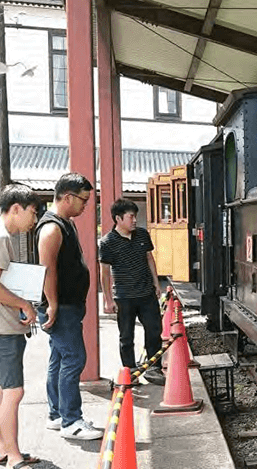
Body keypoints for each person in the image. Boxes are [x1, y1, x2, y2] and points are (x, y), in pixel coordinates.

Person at [0, 183, 47, 469]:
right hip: (0, 328)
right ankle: (14, 461)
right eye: (33, 212)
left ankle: (0, 449)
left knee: (4, 390)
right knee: (14, 392)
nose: (35, 219)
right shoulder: (0, 238)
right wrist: (24, 304)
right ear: (16, 208)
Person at [36, 173, 103, 441]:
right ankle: (71, 421)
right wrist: (52, 304)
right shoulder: (52, 228)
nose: (86, 206)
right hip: (61, 306)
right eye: (83, 200)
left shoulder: (66, 223)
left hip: (68, 305)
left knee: (59, 358)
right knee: (74, 359)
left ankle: (57, 414)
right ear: (67, 197)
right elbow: (47, 269)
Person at [99, 198, 165, 384]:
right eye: (131, 217)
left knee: (154, 330)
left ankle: (154, 368)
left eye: (135, 216)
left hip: (146, 294)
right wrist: (108, 299)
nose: (135, 220)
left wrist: (156, 283)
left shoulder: (142, 235)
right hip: (124, 297)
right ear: (118, 219)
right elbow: (104, 273)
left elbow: (149, 258)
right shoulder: (107, 242)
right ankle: (130, 371)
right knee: (126, 337)